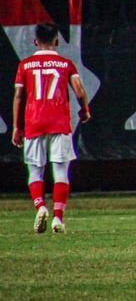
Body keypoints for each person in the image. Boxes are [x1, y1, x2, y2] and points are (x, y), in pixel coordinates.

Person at [12, 23, 91, 233]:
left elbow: (19, 96)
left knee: (35, 170)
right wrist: (84, 110)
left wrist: (16, 127)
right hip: (59, 122)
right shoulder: (65, 64)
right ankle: (57, 218)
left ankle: (40, 206)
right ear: (56, 41)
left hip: (34, 121)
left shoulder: (25, 65)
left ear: (35, 42)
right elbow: (80, 91)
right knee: (61, 171)